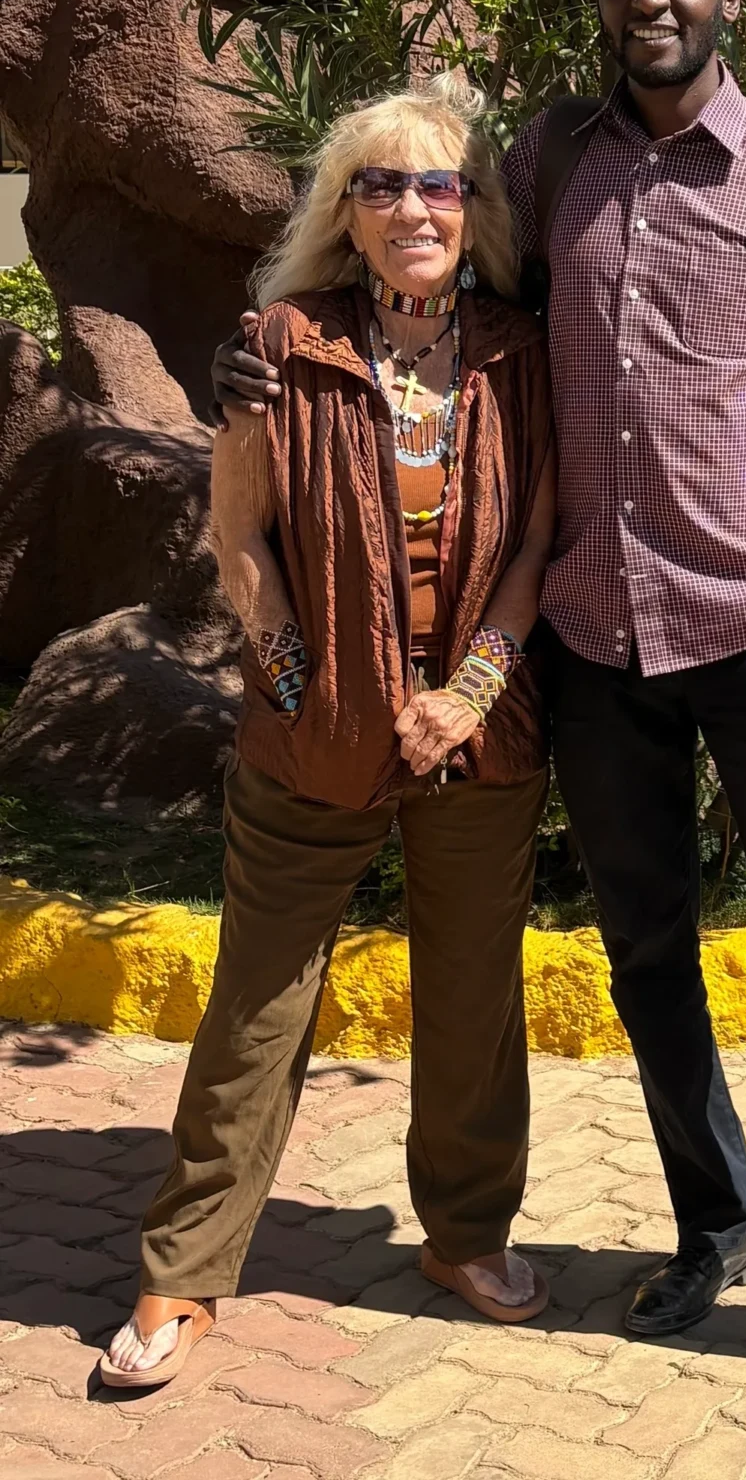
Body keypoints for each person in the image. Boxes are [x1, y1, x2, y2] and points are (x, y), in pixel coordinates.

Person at [211, 0, 746, 1417]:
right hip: (590, 639)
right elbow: (420, 274)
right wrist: (267, 344)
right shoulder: (548, 165)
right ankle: (715, 1227)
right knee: (646, 955)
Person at [100, 75, 557, 1390]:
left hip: (480, 732)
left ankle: (465, 1237)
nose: (415, 208)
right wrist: (297, 679)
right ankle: (185, 1269)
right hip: (312, 734)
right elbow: (238, 533)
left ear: (473, 210)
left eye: (440, 184)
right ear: (344, 214)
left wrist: (469, 692)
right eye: (382, 185)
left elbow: (536, 540)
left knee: (472, 1002)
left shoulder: (523, 353)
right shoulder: (282, 346)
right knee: (257, 1003)